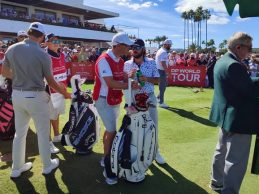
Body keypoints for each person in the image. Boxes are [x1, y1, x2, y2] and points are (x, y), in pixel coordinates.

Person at [1, 22, 70, 178]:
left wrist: (19, 77)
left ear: (28, 32)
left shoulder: (12, 49)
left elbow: (4, 72)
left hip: (17, 95)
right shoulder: (43, 54)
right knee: (43, 131)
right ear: (42, 37)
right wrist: (65, 93)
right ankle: (47, 165)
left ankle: (16, 168)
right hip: (36, 96)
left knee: (20, 133)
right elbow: (51, 82)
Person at [209, 32, 259, 194]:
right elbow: (249, 90)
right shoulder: (234, 65)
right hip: (238, 118)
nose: (250, 52)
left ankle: (216, 182)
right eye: (248, 48)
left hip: (225, 116)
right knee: (236, 160)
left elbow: (238, 85)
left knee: (220, 151)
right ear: (238, 47)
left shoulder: (223, 60)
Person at [92, 32, 139, 185]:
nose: (129, 49)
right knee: (111, 131)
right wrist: (130, 84)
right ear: (118, 45)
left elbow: (120, 77)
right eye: (127, 46)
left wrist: (128, 77)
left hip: (113, 99)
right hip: (103, 99)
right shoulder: (104, 60)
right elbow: (111, 83)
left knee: (110, 129)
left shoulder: (118, 59)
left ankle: (106, 156)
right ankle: (108, 163)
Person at [124, 38, 166, 164]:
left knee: (153, 125)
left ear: (143, 49)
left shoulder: (152, 62)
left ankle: (155, 152)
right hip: (133, 98)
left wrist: (146, 78)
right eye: (132, 48)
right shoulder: (126, 64)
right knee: (133, 127)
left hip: (149, 97)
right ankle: (136, 151)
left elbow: (157, 80)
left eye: (136, 48)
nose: (134, 50)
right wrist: (129, 79)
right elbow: (123, 82)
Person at [45, 33, 68, 153]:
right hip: (50, 90)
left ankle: (57, 135)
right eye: (53, 41)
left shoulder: (62, 55)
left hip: (61, 90)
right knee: (47, 116)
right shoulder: (45, 55)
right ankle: (47, 142)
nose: (56, 43)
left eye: (58, 41)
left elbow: (63, 70)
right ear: (47, 43)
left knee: (56, 113)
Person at [155, 39, 172, 108]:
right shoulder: (164, 52)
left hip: (159, 70)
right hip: (161, 71)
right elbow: (163, 63)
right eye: (169, 45)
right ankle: (161, 102)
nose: (170, 46)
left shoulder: (160, 50)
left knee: (163, 86)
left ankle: (158, 98)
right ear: (166, 44)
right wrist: (168, 72)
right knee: (162, 87)